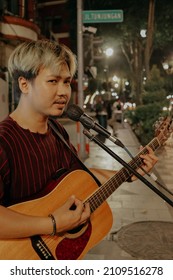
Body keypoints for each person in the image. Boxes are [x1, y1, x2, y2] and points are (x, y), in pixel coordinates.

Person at [0, 40, 158, 242]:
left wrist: (129, 172)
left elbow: (80, 176)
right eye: (53, 81)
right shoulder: (4, 142)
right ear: (24, 84)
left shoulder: (56, 131)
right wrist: (53, 224)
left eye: (66, 82)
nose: (64, 92)